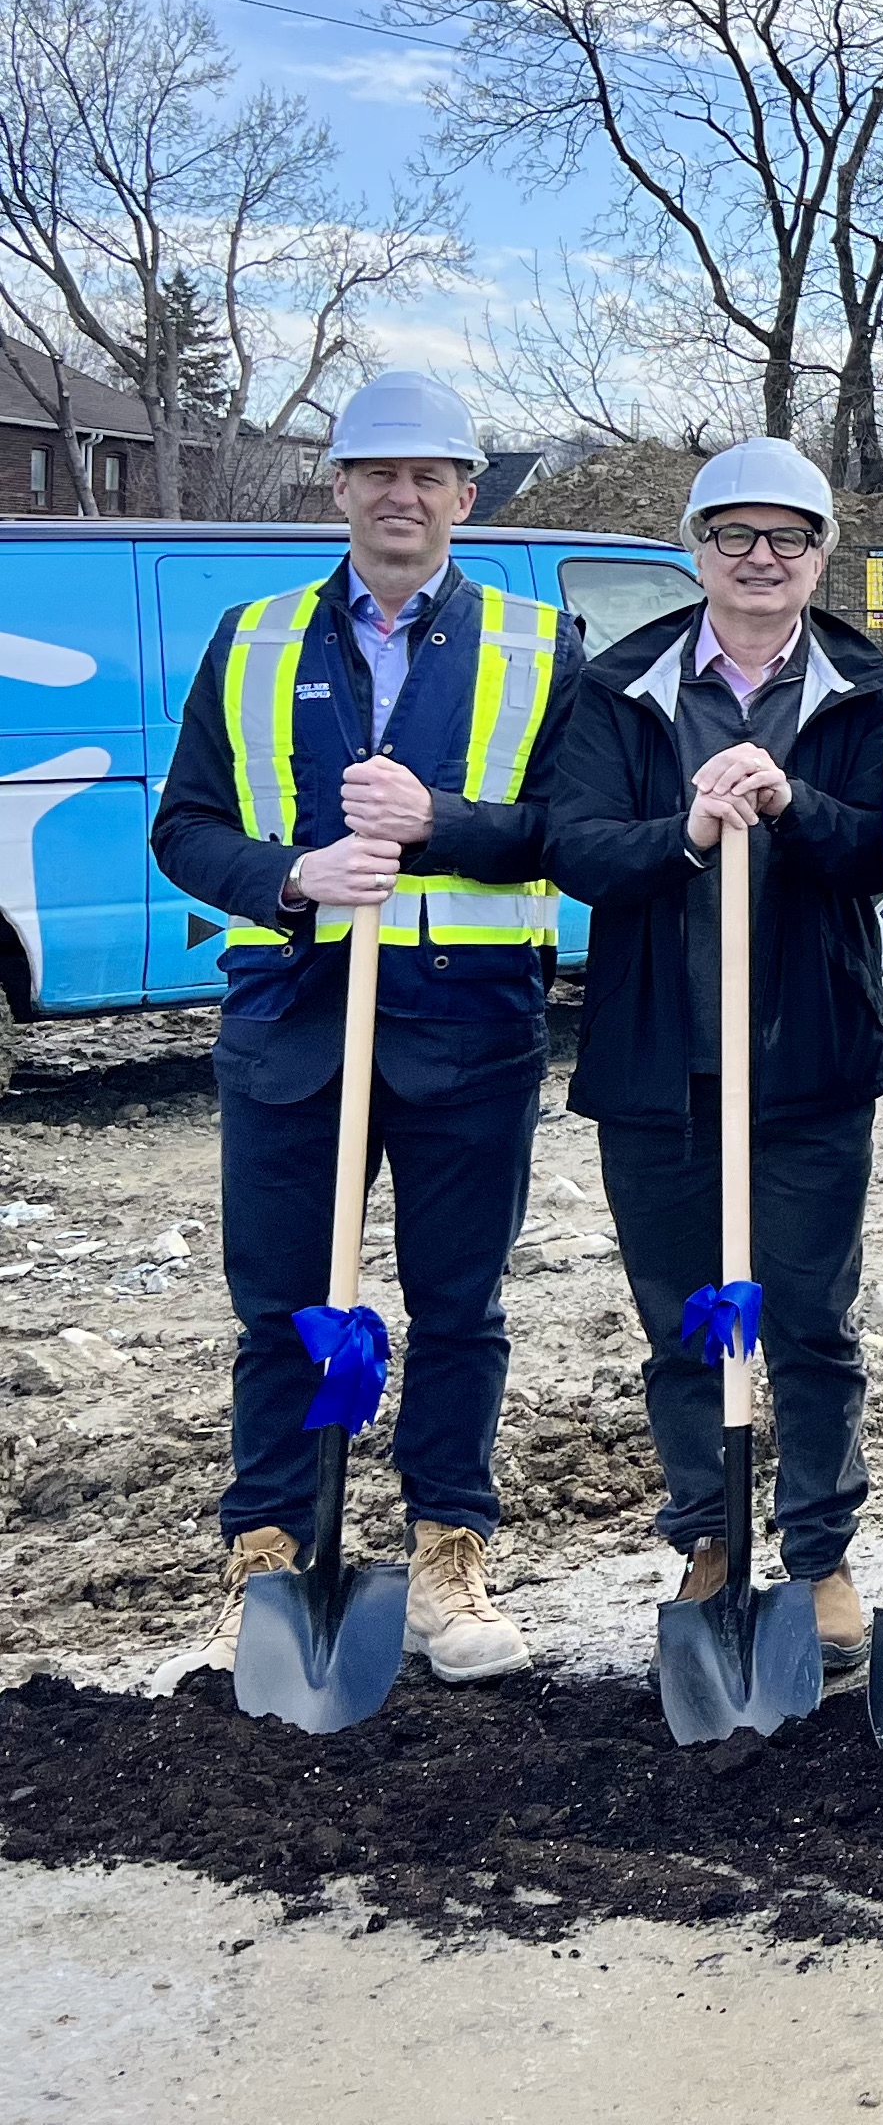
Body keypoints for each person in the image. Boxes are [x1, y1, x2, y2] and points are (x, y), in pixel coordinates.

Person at [149, 370, 571, 1692]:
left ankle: (449, 1556)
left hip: (468, 1029)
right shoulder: (254, 637)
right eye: (377, 474)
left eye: (429, 476)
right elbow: (184, 829)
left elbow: (570, 831)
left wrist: (438, 822)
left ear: (464, 496)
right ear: (338, 489)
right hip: (292, 1028)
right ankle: (268, 1561)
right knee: (281, 1309)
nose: (403, 496)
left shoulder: (535, 643)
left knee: (459, 1307)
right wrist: (294, 874)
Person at [548, 436, 883, 1673]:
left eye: (789, 538)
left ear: (821, 555)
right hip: (660, 1059)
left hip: (806, 1055)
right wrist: (690, 832)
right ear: (694, 548)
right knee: (682, 1316)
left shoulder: (867, 693)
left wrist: (794, 807)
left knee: (809, 1315)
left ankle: (818, 1552)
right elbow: (577, 847)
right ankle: (709, 1534)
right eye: (734, 536)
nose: (761, 559)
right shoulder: (618, 686)